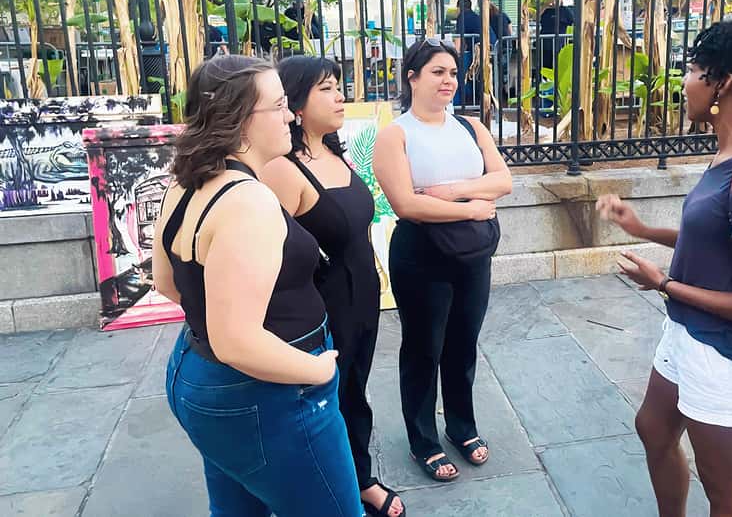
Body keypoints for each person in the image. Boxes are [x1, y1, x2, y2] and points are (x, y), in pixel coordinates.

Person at [596, 20, 732, 517]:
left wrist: (664, 283)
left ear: (724, 83)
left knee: (723, 487)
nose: (684, 82)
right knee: (654, 429)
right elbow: (719, 241)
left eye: (693, 70)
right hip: (693, 333)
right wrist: (642, 229)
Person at [152, 55, 364, 517]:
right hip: (267, 392)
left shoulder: (185, 182)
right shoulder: (248, 202)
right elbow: (236, 341)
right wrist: (318, 371)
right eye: (280, 105)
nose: (291, 116)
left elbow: (166, 281)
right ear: (242, 119)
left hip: (199, 372)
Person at [260, 56, 405, 517]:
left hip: (363, 294)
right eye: (326, 88)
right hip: (325, 302)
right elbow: (274, 254)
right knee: (327, 399)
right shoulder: (283, 169)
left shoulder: (334, 153)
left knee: (355, 390)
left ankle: (358, 478)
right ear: (296, 104)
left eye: (338, 86)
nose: (340, 97)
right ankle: (330, 487)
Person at [373, 38, 512, 482]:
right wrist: (471, 207)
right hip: (421, 255)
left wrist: (450, 192)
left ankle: (461, 426)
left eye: (452, 72)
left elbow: (503, 180)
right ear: (412, 78)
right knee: (423, 348)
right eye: (437, 72)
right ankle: (423, 440)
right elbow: (406, 204)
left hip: (472, 254)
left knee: (463, 343)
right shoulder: (396, 134)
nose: (448, 80)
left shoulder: (472, 128)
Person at [538, 0, 574, 69]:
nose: (555, 0)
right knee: (545, 66)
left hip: (559, 44)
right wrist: (545, 6)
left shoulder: (565, 10)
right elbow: (536, 18)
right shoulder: (546, 10)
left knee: (558, 66)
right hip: (545, 44)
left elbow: (574, 21)